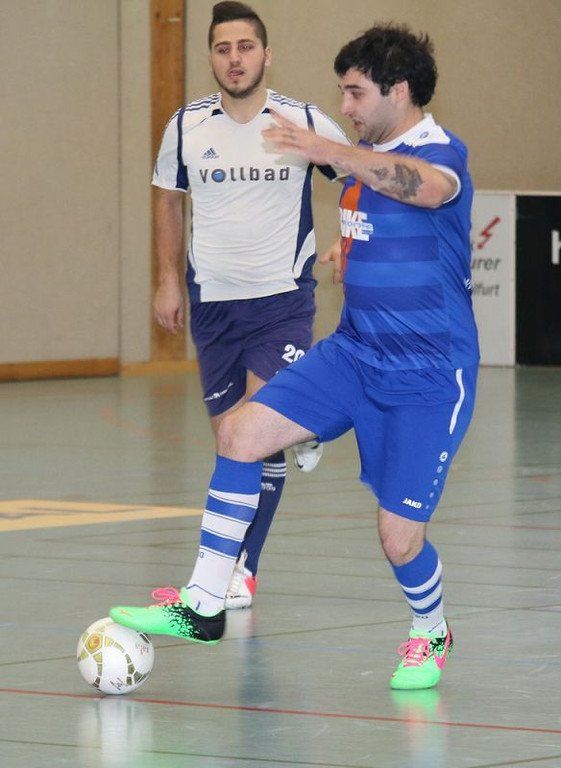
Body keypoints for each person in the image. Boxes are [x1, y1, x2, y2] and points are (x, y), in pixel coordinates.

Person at [111, 23, 479, 691]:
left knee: (398, 539)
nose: (345, 106)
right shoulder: (364, 161)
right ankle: (205, 602)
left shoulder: (437, 150)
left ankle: (431, 628)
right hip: (355, 354)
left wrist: (324, 148)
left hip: (427, 375)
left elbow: (425, 188)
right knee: (239, 433)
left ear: (397, 90)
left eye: (355, 93)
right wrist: (350, 250)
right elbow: (388, 223)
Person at [151, 1, 350, 609]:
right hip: (213, 304)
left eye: (245, 47)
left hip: (281, 301)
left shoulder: (302, 121)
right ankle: (305, 422)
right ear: (211, 58)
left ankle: (240, 573)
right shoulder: (186, 126)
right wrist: (167, 279)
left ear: (267, 54)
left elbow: (358, 174)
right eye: (223, 49)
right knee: (232, 443)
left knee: (254, 434)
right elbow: (167, 199)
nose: (234, 59)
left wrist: (348, 240)